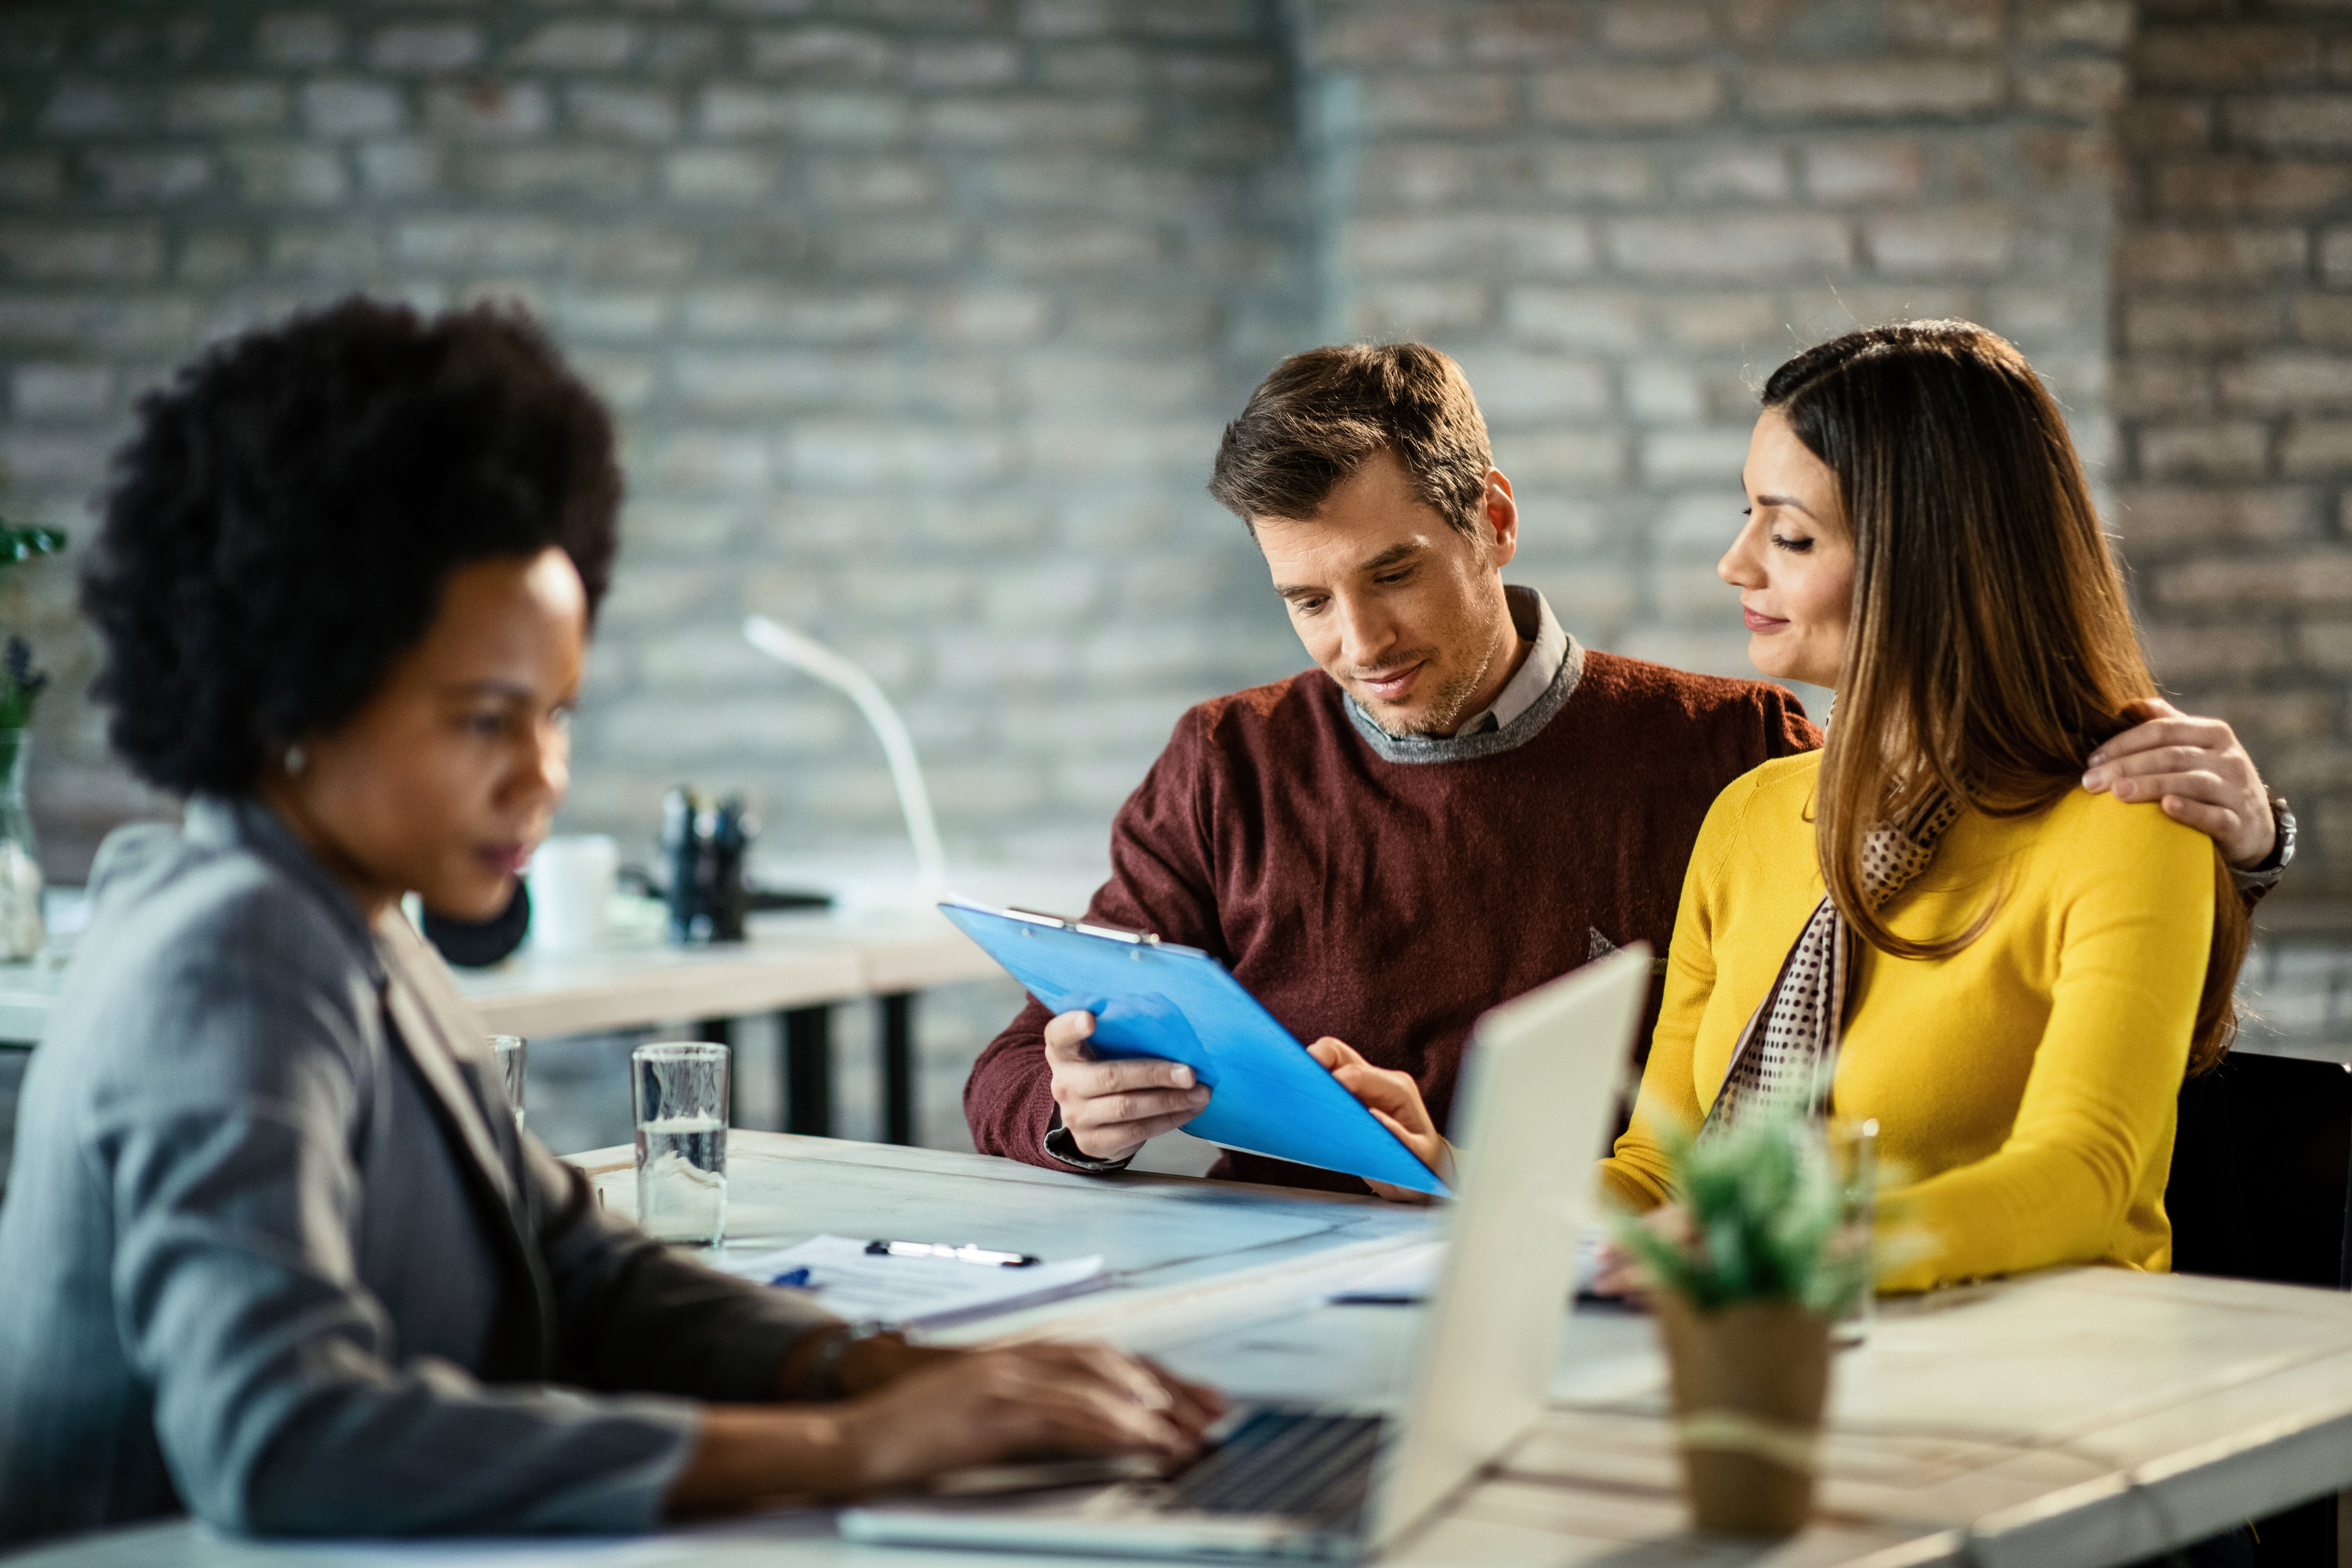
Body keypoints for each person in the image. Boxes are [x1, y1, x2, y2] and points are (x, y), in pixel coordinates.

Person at [0, 299, 1215, 1547]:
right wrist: (854, 1445)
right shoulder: (231, 961)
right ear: (291, 696)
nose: (544, 775)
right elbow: (288, 1437)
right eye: (485, 718)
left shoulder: (341, 923)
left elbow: (579, 1267)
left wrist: (876, 1372)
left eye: (558, 713)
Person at [961, 343, 2287, 1198]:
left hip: (1641, 1303)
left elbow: (1992, 944)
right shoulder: (1227, 763)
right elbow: (1020, 1066)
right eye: (1307, 602)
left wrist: (2242, 850)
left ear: (1492, 518)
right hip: (1381, 1281)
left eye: (1393, 576)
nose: (1356, 644)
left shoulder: (1733, 760)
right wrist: (1082, 1112)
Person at [1598, 320, 2252, 1292]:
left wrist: (1808, 1249)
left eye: (1789, 535)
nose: (1737, 565)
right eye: (1748, 517)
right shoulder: (1747, 819)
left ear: (1927, 558)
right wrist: (1473, 1198)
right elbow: (1662, 1173)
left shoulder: (2125, 823)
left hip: (2040, 1374)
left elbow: (2084, 1179)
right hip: (1774, 1343)